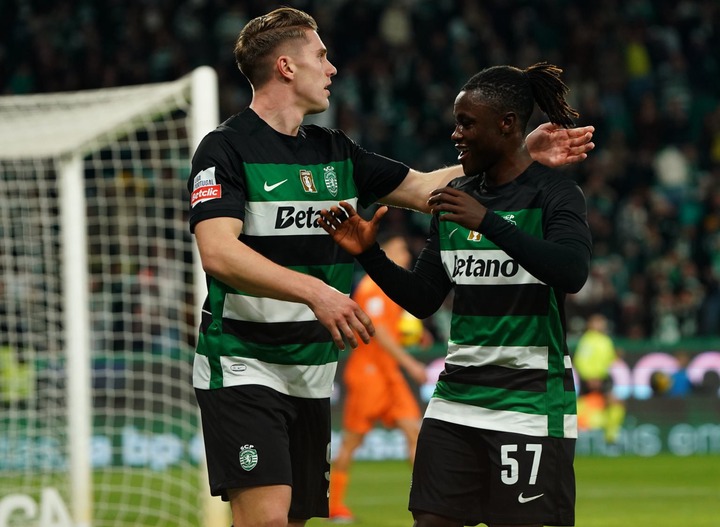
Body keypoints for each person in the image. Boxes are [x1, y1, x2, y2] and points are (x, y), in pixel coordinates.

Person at [187, 6, 595, 526]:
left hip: (311, 372)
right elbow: (219, 251)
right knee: (266, 519)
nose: (332, 68)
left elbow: (428, 189)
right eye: (321, 55)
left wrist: (518, 153)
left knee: (292, 520)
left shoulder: (335, 150)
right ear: (287, 67)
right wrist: (318, 292)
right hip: (243, 362)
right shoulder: (224, 149)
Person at [319, 62, 592, 527]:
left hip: (528, 403)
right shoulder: (453, 199)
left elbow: (571, 272)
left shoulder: (554, 195)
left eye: (467, 123)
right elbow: (425, 297)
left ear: (507, 124)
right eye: (456, 122)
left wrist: (488, 222)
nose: (456, 134)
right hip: (456, 401)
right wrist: (369, 254)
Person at [329, 232, 428, 523]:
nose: (408, 258)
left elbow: (392, 329)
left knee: (415, 433)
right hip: (369, 375)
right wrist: (410, 363)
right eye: (402, 251)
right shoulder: (372, 288)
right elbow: (379, 332)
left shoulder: (391, 289)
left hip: (389, 375)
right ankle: (334, 506)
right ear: (387, 253)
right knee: (351, 443)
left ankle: (426, 502)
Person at [574, 313, 625, 443]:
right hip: (589, 379)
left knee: (615, 403)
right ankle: (575, 432)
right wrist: (590, 377)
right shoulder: (587, 340)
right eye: (597, 322)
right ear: (590, 325)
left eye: (601, 322)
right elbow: (580, 361)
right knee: (580, 406)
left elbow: (608, 360)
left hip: (603, 378)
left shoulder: (606, 340)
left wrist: (616, 356)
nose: (600, 324)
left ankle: (610, 435)